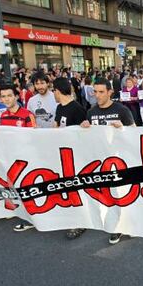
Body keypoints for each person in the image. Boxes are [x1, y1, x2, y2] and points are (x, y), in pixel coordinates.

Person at [80, 78, 135, 245]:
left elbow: (134, 132)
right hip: (101, 160)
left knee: (122, 194)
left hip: (120, 159)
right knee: (108, 194)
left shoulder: (122, 110)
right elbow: (88, 138)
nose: (97, 95)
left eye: (101, 92)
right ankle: (115, 224)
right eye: (95, 92)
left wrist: (123, 129)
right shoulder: (91, 112)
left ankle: (126, 224)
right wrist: (84, 128)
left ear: (110, 92)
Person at [0, 84, 36, 232]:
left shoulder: (27, 114)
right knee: (18, 190)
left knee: (29, 189)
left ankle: (34, 218)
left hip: (26, 160)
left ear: (17, 96)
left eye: (9, 95)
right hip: (12, 161)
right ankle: (27, 216)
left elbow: (34, 138)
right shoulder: (3, 116)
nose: (6, 99)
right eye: (3, 96)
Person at [52, 77, 87, 239]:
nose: (53, 93)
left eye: (54, 90)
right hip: (62, 154)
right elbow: (56, 127)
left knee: (76, 188)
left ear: (58, 91)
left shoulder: (77, 109)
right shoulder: (59, 108)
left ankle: (81, 222)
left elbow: (84, 134)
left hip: (76, 156)